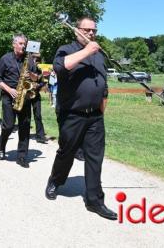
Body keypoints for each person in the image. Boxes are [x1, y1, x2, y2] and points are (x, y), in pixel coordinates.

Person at [45, 17, 117, 221]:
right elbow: (60, 68)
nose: (92, 33)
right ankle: (55, 180)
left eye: (94, 30)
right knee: (66, 152)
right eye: (87, 30)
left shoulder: (99, 55)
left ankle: (95, 200)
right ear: (77, 30)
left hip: (94, 116)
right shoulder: (66, 49)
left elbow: (102, 83)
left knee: (95, 157)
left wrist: (103, 105)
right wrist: (87, 51)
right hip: (72, 115)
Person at [0, 34, 39, 168]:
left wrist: (31, 75)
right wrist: (9, 89)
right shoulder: (5, 58)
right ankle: (2, 147)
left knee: (25, 127)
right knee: (8, 126)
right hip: (9, 95)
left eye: (24, 43)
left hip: (24, 96)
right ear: (13, 44)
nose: (23, 46)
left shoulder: (29, 58)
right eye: (20, 43)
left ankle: (22, 156)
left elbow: (37, 78)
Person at [30, 53, 48, 144]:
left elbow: (43, 82)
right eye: (34, 58)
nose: (36, 60)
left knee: (38, 115)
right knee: (26, 116)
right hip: (26, 94)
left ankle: (40, 136)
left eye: (37, 59)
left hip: (36, 94)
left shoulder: (40, 70)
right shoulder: (26, 68)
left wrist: (38, 85)